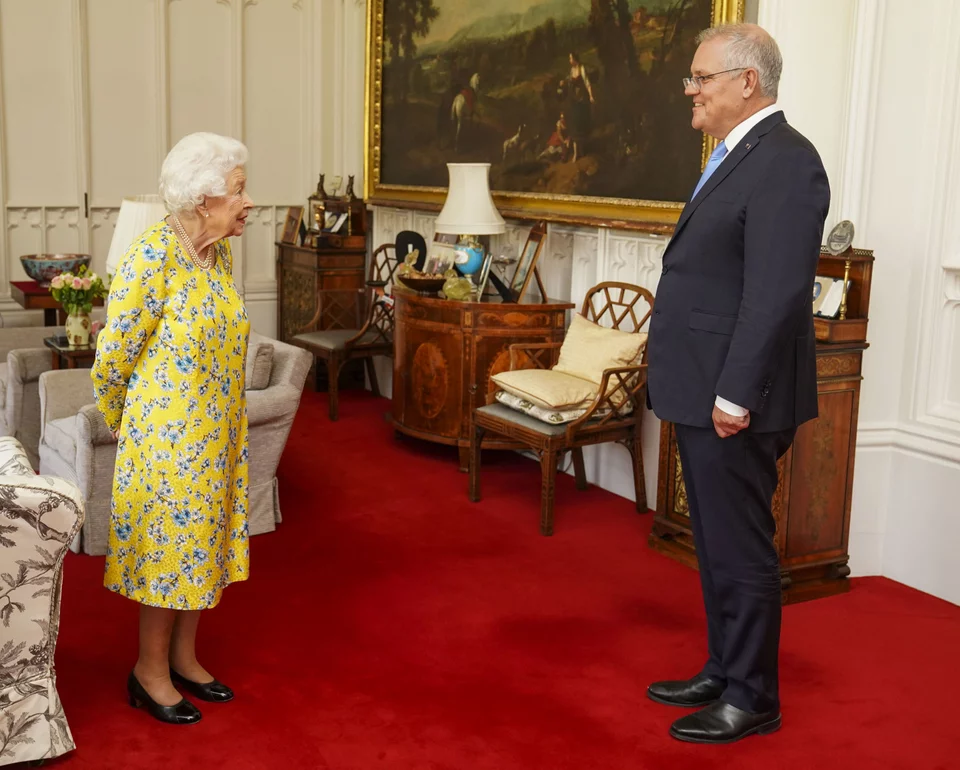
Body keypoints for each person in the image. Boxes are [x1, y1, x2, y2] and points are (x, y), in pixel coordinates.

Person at [645, 24, 830, 744]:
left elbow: (775, 293)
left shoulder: (787, 160)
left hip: (734, 393)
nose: (690, 90)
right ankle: (724, 669)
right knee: (715, 540)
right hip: (702, 383)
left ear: (746, 82)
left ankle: (753, 697)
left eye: (701, 77)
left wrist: (735, 393)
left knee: (741, 544)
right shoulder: (734, 154)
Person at [91, 132, 255, 725]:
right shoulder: (151, 256)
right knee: (169, 556)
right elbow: (112, 359)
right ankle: (149, 672)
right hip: (167, 441)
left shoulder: (218, 255)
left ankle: (184, 658)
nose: (249, 202)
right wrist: (130, 426)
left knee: (202, 548)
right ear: (203, 197)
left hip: (217, 435)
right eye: (238, 190)